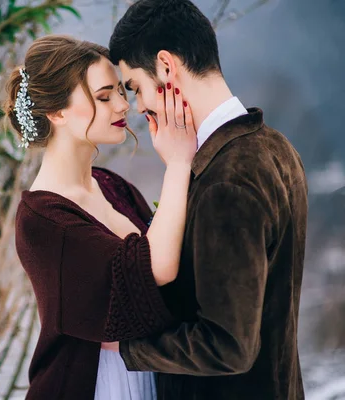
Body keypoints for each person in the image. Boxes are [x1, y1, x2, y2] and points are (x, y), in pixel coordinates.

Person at [107, 0, 308, 399]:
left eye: (135, 88)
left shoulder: (226, 181)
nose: (138, 106)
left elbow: (228, 346)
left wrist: (129, 349)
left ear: (166, 66)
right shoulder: (274, 147)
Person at [6, 34, 196, 399]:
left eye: (121, 93)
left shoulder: (111, 185)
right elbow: (156, 269)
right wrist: (178, 162)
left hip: (150, 375)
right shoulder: (42, 220)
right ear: (57, 112)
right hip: (96, 386)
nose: (123, 106)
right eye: (104, 97)